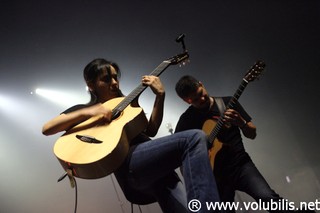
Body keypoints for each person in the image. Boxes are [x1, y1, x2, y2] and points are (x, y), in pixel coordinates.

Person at [42, 59, 220, 212]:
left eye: (115, 77)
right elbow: (47, 128)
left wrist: (160, 97)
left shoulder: (127, 103)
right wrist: (90, 111)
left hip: (159, 172)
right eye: (106, 79)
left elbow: (151, 130)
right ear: (91, 85)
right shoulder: (82, 110)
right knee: (195, 138)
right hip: (130, 164)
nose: (114, 82)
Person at [174, 75, 312, 213]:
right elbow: (178, 154)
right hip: (215, 178)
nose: (202, 99)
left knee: (268, 198)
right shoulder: (186, 121)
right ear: (186, 101)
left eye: (200, 93)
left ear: (201, 84)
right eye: (196, 100)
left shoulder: (227, 102)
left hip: (241, 166)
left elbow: (252, 134)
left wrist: (242, 122)